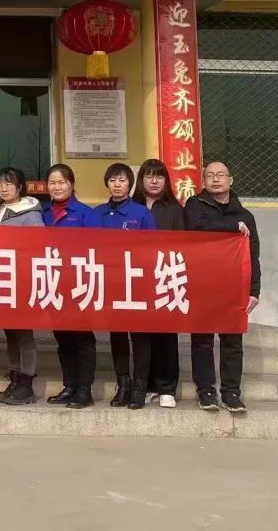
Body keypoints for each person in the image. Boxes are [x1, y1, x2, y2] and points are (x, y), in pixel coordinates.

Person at [184, 161, 261, 413]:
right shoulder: (195, 205)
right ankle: (206, 390)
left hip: (234, 287)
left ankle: (231, 392)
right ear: (203, 181)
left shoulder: (245, 216)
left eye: (221, 175)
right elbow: (196, 229)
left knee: (232, 342)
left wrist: (254, 291)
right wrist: (232, 228)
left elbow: (253, 256)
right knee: (202, 341)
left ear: (231, 180)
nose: (216, 179)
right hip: (202, 284)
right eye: (210, 175)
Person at [95, 162, 157, 410]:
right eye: (113, 180)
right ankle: (123, 385)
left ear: (130, 184)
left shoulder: (141, 214)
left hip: (137, 284)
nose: (117, 185)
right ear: (107, 184)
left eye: (122, 180)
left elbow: (153, 250)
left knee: (140, 337)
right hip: (111, 283)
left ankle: (140, 387)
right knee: (117, 336)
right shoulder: (98, 213)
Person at [41, 163, 101, 409]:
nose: (57, 187)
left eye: (62, 182)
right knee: (63, 338)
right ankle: (70, 385)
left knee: (82, 337)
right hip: (53, 283)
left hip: (79, 284)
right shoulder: (42, 213)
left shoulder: (86, 214)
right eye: (52, 183)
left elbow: (97, 250)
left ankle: (84, 389)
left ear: (72, 184)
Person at [0, 166, 44, 406]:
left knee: (24, 333)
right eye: (0, 184)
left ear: (20, 187)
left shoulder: (31, 214)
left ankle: (27, 383)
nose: (3, 188)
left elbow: (37, 248)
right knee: (10, 332)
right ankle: (15, 377)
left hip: (22, 280)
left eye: (9, 184)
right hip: (1, 280)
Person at [133, 159, 185, 409]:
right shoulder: (131, 207)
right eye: (149, 176)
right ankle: (145, 385)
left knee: (166, 334)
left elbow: (184, 245)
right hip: (136, 279)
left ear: (166, 181)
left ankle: (166, 387)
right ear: (141, 180)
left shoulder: (175, 209)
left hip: (165, 276)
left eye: (159, 176)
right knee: (141, 336)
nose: (154, 181)